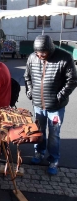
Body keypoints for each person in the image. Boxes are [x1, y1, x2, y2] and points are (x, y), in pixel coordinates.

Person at [24, 35, 77, 175]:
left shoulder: (64, 57)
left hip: (56, 106)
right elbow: (27, 76)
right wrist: (29, 90)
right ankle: (39, 153)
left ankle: (54, 159)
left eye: (43, 53)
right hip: (37, 104)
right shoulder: (32, 57)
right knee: (39, 131)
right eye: (37, 52)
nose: (40, 55)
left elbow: (72, 80)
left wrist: (60, 96)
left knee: (54, 134)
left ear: (50, 49)